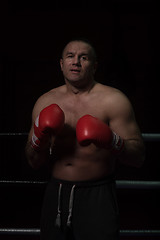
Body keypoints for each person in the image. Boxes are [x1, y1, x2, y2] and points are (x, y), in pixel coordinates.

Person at [25, 38, 145, 240]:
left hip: (97, 195)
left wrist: (111, 140)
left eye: (84, 57)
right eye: (70, 56)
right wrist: (39, 138)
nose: (76, 62)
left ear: (94, 66)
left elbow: (138, 157)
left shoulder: (114, 100)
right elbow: (33, 161)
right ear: (61, 64)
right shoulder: (45, 101)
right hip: (56, 194)